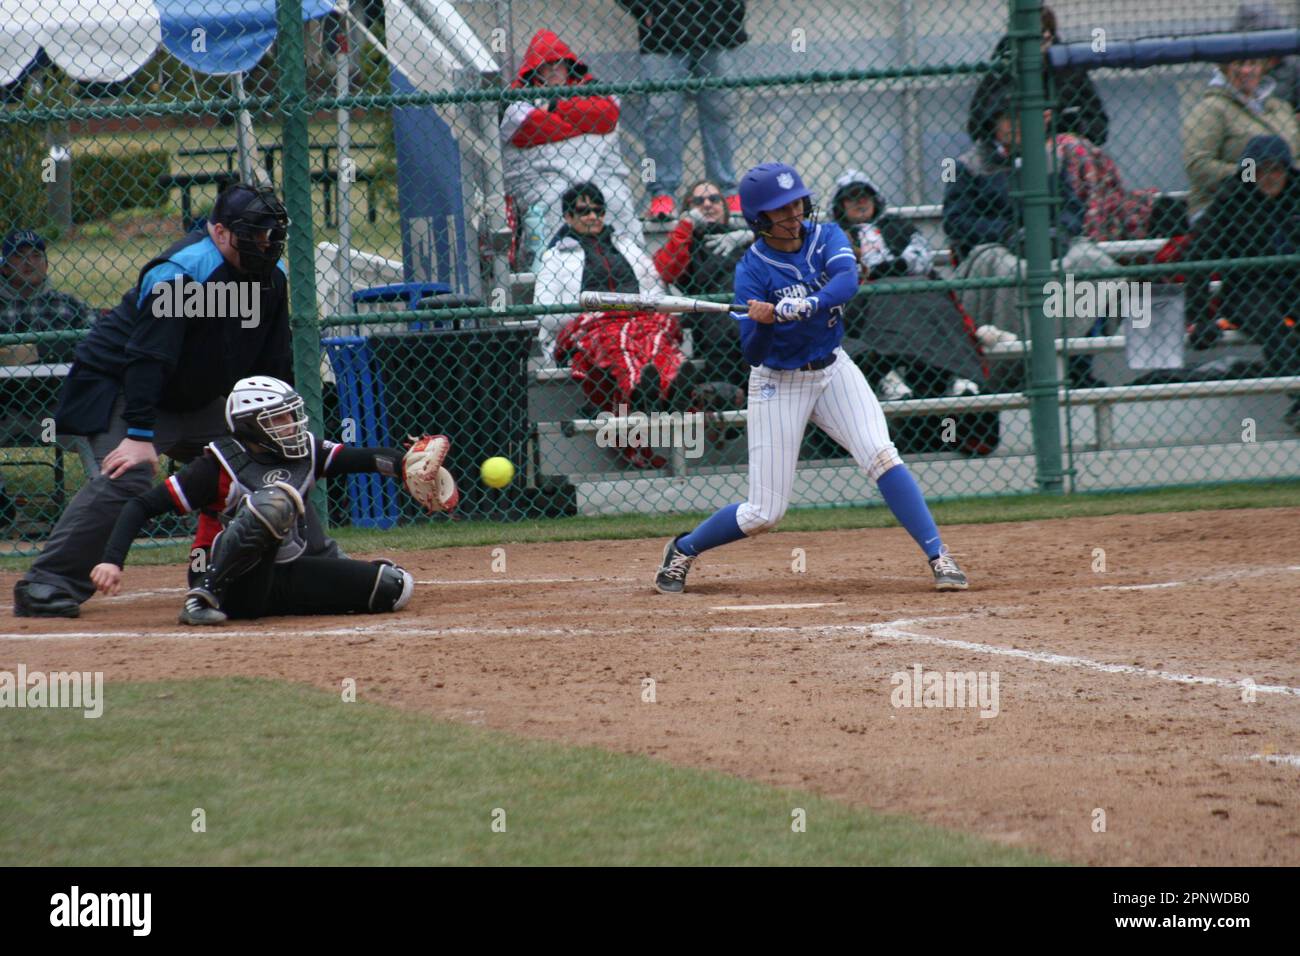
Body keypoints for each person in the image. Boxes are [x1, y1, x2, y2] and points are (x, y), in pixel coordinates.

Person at [12, 183, 338, 618]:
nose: (265, 244)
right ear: (219, 232)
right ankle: (46, 583)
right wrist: (139, 434)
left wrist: (272, 431)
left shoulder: (270, 279)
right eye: (254, 233)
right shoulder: (183, 271)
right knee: (130, 472)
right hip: (123, 388)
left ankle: (314, 564)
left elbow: (272, 362)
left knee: (271, 457)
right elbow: (150, 357)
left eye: (270, 234)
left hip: (195, 397)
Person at [652, 163, 969, 594]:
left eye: (797, 203)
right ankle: (684, 549)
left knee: (881, 455)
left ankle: (939, 555)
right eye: (781, 210)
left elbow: (846, 281)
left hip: (833, 367)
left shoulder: (827, 236)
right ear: (759, 219)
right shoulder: (752, 270)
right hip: (777, 382)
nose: (794, 214)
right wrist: (762, 321)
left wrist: (807, 304)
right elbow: (753, 352)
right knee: (764, 513)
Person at [89, 377, 428, 624]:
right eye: (279, 419)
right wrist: (111, 561)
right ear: (250, 426)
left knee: (394, 587)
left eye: (291, 416)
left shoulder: (305, 451)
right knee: (274, 502)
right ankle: (201, 600)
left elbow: (366, 459)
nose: (292, 425)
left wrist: (406, 466)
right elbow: (141, 506)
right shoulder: (217, 466)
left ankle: (283, 598)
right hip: (224, 579)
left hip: (282, 573)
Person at [945, 79, 1118, 387]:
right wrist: (1006, 231)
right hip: (997, 249)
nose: (1021, 124)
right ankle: (1018, 368)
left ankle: (1077, 365)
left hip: (1051, 247)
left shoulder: (1049, 160)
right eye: (1012, 117)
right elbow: (957, 221)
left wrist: (1059, 232)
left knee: (1091, 261)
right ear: (994, 123)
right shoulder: (968, 165)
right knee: (1011, 269)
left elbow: (1072, 208)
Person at [831, 171, 999, 457]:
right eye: (851, 198)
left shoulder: (898, 225)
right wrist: (883, 269)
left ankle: (957, 378)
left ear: (875, 199)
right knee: (885, 300)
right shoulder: (836, 235)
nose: (859, 203)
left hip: (916, 288)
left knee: (935, 300)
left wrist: (897, 264)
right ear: (841, 205)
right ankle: (890, 374)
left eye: (864, 196)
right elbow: (846, 268)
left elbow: (921, 255)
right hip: (866, 296)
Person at [534, 183, 692, 467]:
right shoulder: (555, 258)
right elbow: (545, 313)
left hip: (637, 317)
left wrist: (634, 310)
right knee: (616, 340)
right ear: (568, 217)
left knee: (657, 331)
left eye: (598, 210)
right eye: (583, 211)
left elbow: (655, 289)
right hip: (588, 324)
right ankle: (645, 391)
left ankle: (667, 385)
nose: (593, 216)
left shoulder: (628, 247)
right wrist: (600, 310)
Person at [499, 29, 644, 269]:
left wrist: (554, 106)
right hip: (545, 178)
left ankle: (633, 263)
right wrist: (584, 123)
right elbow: (526, 130)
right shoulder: (517, 94)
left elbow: (607, 115)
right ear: (535, 69)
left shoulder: (593, 85)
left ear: (569, 65)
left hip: (600, 174)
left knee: (616, 199)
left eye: (559, 63)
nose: (555, 69)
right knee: (551, 202)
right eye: (547, 65)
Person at [1184, 135, 1300, 428]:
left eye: (1276, 170)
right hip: (1247, 290)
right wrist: (1199, 316)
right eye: (1261, 170)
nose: (1269, 177)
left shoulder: (1296, 195)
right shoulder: (1232, 201)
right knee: (1273, 326)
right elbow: (1198, 256)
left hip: (1292, 286)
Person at [0, 230, 97, 527]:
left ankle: (103, 505)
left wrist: (33, 352)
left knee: (97, 420)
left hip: (56, 411)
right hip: (5, 411)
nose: (29, 263)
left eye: (36, 256)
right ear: (4, 265)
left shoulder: (69, 306)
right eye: (20, 256)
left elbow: (98, 347)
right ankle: (3, 509)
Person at [616, 1, 747, 219]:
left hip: (718, 22)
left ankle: (726, 190)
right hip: (662, 30)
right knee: (660, 114)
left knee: (722, 109)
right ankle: (661, 194)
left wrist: (733, 7)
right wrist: (643, 8)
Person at [652, 179, 753, 396]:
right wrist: (686, 226)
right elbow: (666, 269)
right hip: (717, 326)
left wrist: (754, 235)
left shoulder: (744, 240)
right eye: (698, 201)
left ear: (724, 207)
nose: (707, 204)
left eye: (714, 199)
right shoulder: (687, 245)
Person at [1182, 57, 1300, 222]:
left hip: (1286, 206)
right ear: (1225, 69)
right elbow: (1198, 165)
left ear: (1262, 67)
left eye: (1252, 63)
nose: (1246, 70)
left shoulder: (1280, 108)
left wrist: (1285, 176)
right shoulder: (1211, 109)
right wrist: (1253, 175)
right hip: (1226, 211)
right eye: (1239, 64)